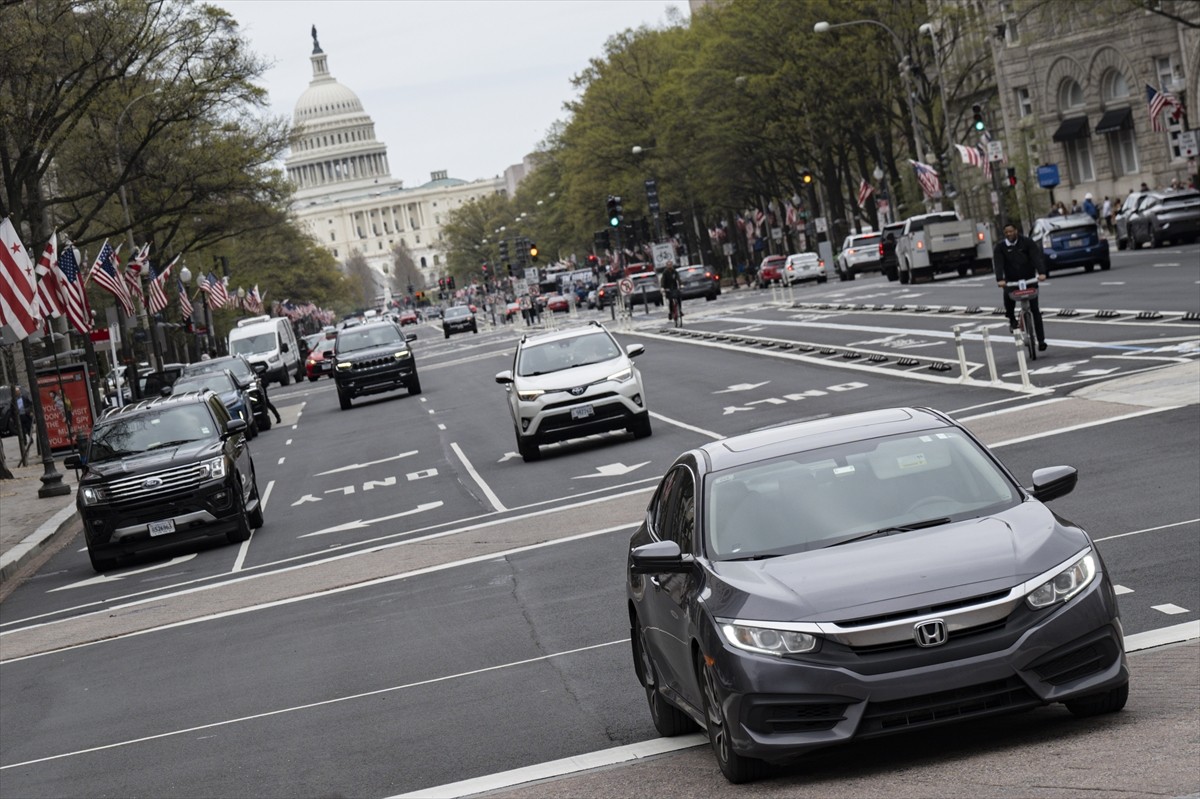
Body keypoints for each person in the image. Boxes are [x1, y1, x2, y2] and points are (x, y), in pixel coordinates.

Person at [993, 223, 1048, 352]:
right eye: (1006, 232)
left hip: (1029, 279)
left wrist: (1041, 272)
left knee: (1035, 309)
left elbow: (1036, 258)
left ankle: (1041, 340)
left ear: (1016, 231)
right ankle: (1012, 319)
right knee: (1007, 294)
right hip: (1012, 281)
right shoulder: (1000, 247)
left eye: (1011, 231)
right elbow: (998, 264)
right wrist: (1000, 279)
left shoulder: (1028, 242)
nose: (1009, 234)